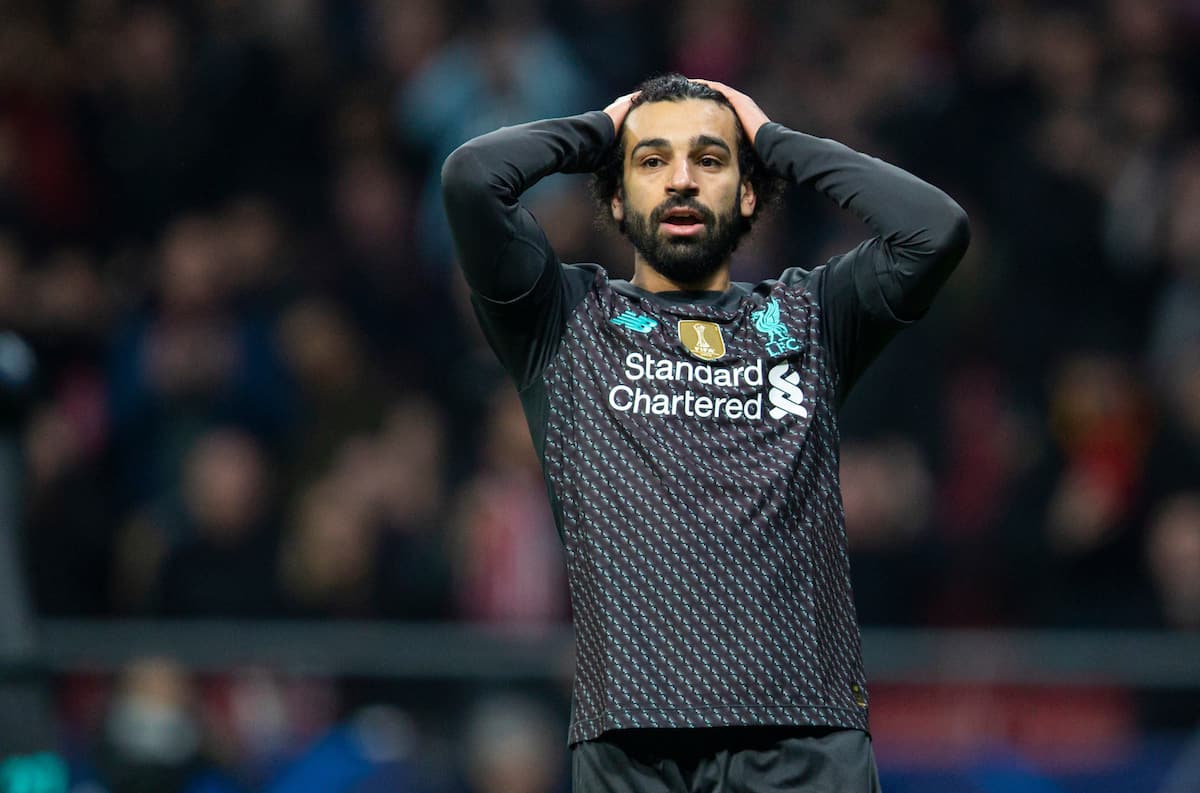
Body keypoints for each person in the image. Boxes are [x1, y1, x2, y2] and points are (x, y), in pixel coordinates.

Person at [441, 74, 969, 791]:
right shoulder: (564, 320)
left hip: (805, 738)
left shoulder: (813, 316)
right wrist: (603, 127)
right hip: (632, 745)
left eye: (711, 160)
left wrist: (775, 141)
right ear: (617, 199)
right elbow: (473, 179)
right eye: (652, 161)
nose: (682, 180)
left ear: (749, 192)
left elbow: (934, 230)